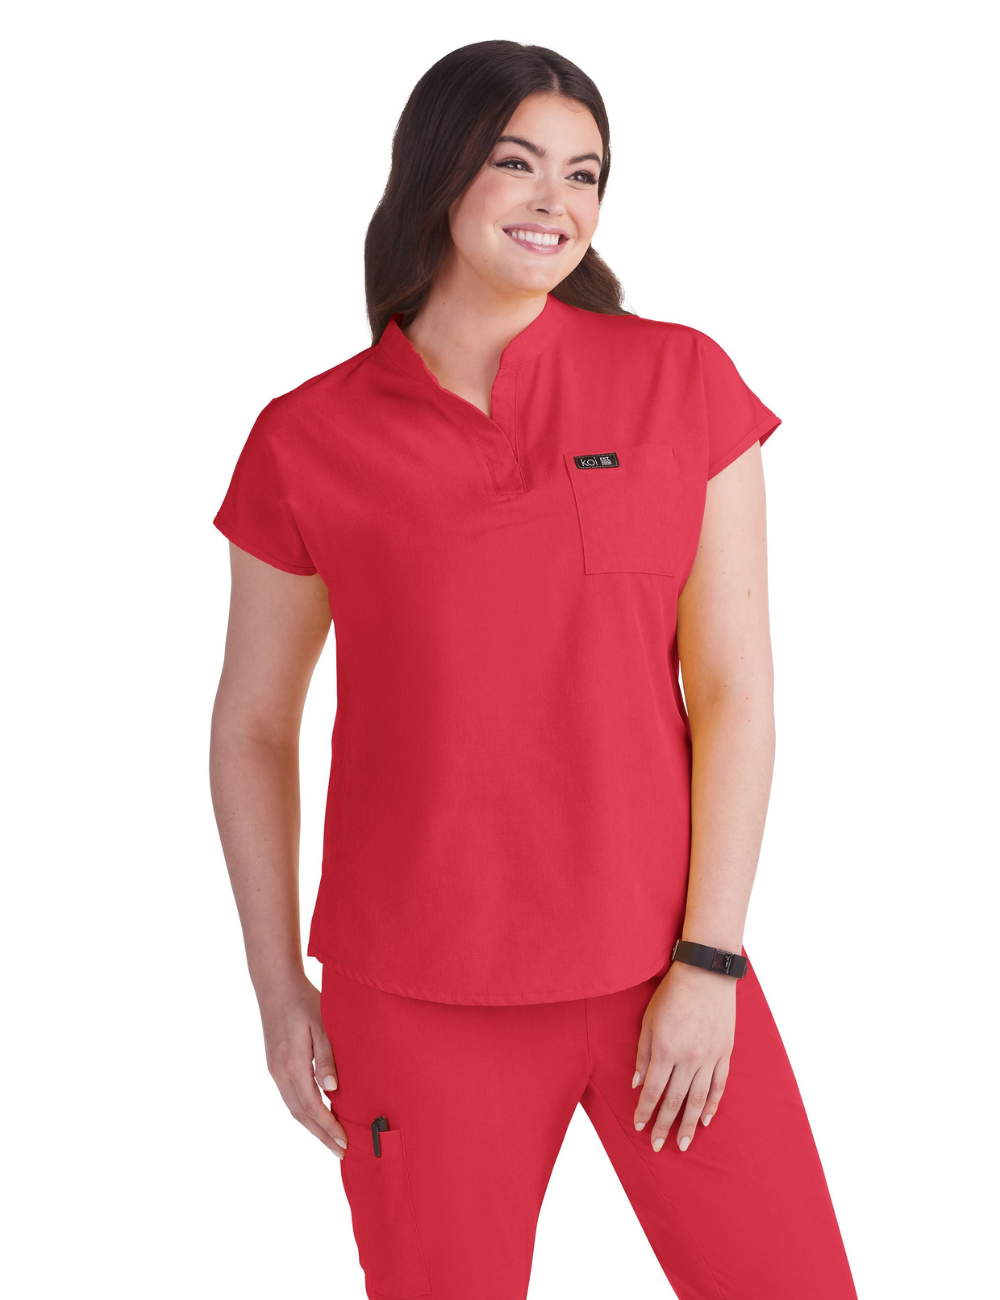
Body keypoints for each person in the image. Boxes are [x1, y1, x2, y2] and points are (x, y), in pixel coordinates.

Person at [209, 39, 859, 1300]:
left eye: (584, 172)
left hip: (660, 972)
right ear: (438, 170)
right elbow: (252, 728)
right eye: (517, 163)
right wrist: (278, 984)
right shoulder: (306, 438)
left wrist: (711, 959)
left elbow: (735, 691)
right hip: (415, 992)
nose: (555, 200)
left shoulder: (680, 379)